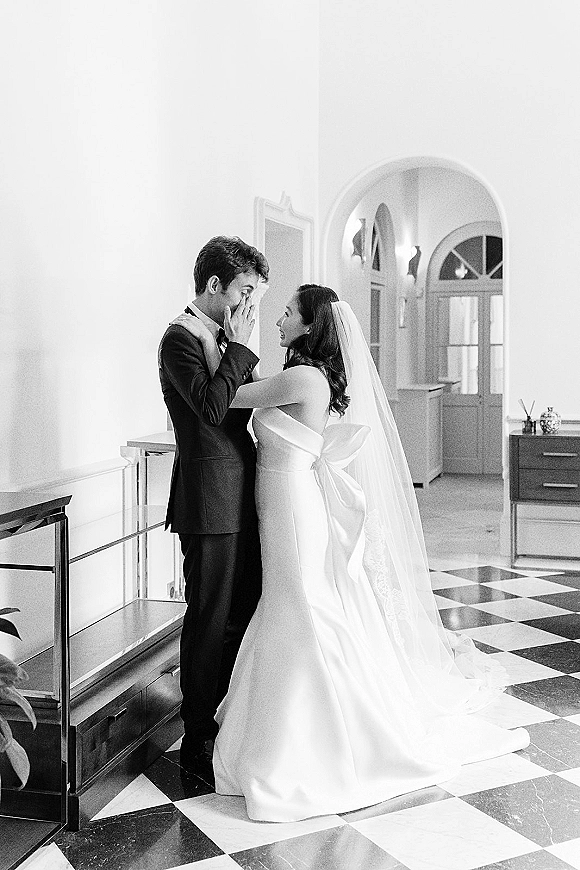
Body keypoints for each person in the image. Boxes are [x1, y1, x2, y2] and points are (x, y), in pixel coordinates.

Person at [173, 284, 529, 821]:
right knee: (290, 601)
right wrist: (222, 339)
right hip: (283, 501)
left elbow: (233, 396)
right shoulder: (307, 377)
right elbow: (236, 388)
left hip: (291, 506)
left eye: (288, 312)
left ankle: (315, 736)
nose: (279, 318)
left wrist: (226, 337)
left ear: (311, 326)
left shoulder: (303, 379)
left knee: (299, 605)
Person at [158, 236, 268, 786]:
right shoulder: (178, 338)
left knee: (242, 612)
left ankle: (230, 720)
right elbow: (209, 407)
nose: (249, 305)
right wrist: (242, 350)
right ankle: (197, 734)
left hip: (242, 493)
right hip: (208, 498)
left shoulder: (225, 336)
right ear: (213, 286)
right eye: (244, 292)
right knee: (208, 620)